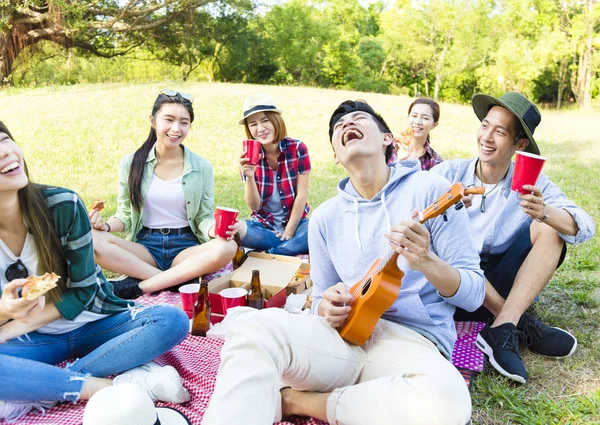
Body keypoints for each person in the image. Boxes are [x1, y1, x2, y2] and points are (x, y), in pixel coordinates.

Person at [202, 100, 485, 425]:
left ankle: (297, 401)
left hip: (412, 343)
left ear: (387, 139)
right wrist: (326, 307)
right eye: (338, 126)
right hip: (341, 341)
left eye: (359, 118)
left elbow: (474, 294)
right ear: (336, 155)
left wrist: (427, 262)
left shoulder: (430, 190)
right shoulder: (325, 217)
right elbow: (321, 297)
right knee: (252, 326)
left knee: (447, 399)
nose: (347, 123)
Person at [0, 121, 190, 422]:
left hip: (98, 324)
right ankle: (117, 385)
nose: (4, 153)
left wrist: (14, 326)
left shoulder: (62, 205)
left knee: (172, 320)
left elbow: (84, 290)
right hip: (36, 342)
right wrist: (4, 311)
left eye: (4, 139)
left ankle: (45, 384)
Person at [431, 92, 595, 384]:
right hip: (454, 284)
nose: (487, 137)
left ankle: (503, 325)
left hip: (501, 275)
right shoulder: (449, 173)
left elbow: (583, 226)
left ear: (519, 144)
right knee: (453, 255)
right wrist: (443, 207)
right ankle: (518, 322)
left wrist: (544, 211)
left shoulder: (530, 181)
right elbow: (408, 218)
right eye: (485, 125)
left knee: (549, 229)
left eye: (500, 131)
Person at [90, 90, 237, 299]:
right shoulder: (131, 163)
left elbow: (203, 216)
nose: (176, 129)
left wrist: (214, 230)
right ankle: (176, 280)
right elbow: (124, 215)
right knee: (91, 238)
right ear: (153, 121)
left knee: (228, 247)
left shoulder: (201, 166)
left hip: (185, 249)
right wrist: (104, 226)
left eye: (184, 122)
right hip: (145, 248)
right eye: (169, 120)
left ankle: (140, 286)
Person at [235, 94, 311, 256]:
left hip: (296, 223)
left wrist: (289, 231)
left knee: (315, 228)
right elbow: (254, 207)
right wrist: (249, 176)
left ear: (276, 120)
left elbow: (302, 195)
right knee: (239, 229)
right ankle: (290, 247)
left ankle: (269, 253)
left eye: (265, 120)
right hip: (263, 226)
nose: (260, 129)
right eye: (253, 124)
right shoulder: (248, 157)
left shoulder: (297, 148)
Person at [388, 98, 443, 170]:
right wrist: (398, 163)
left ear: (434, 125)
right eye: (414, 116)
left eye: (425, 118)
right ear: (408, 117)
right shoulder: (387, 146)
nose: (417, 122)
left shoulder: (436, 162)